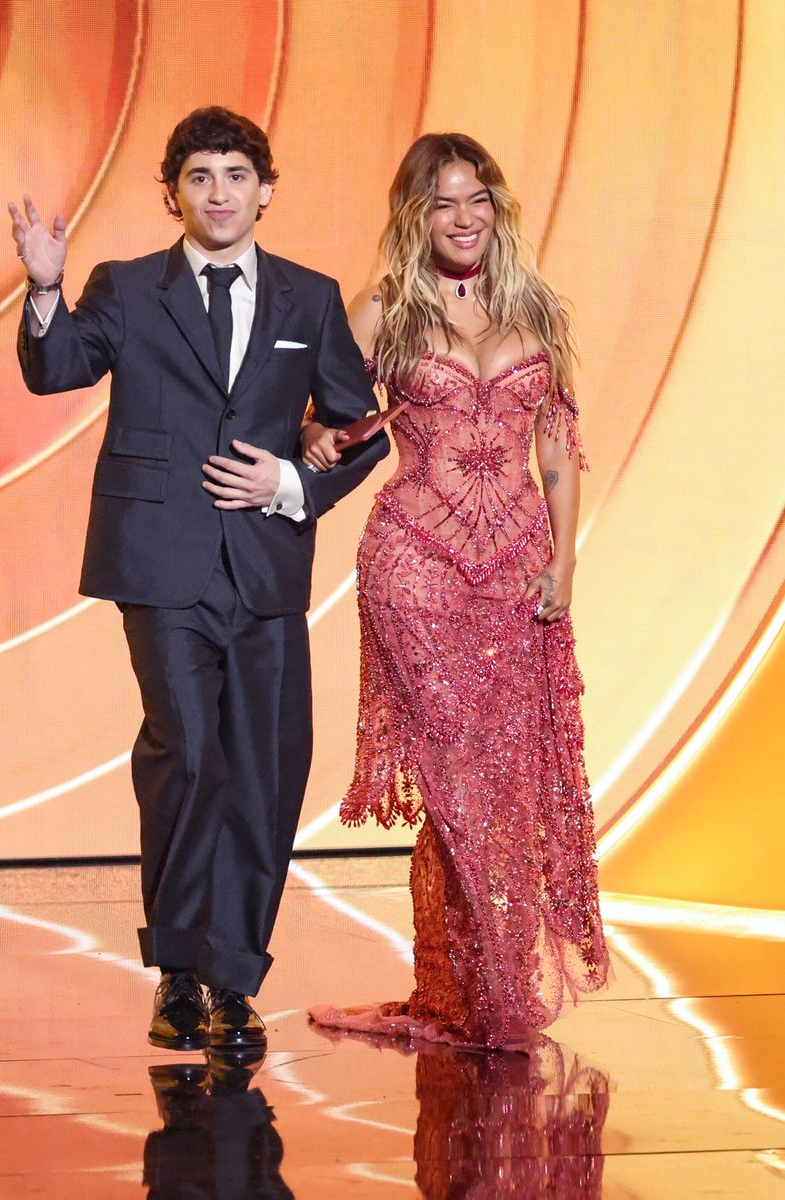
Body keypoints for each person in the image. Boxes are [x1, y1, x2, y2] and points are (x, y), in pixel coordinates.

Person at [8, 107, 388, 1052]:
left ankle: (233, 976)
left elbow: (359, 427)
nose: (218, 193)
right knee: (188, 753)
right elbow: (57, 369)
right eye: (199, 177)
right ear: (172, 193)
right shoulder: (129, 289)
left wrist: (295, 481)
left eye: (234, 175)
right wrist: (46, 288)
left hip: (264, 566)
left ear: (265, 189)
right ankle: (180, 971)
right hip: (161, 564)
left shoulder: (310, 297)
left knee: (265, 771)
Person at [304, 133, 610, 1050]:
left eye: (477, 198)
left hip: (517, 571)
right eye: (444, 202)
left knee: (507, 777)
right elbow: (323, 410)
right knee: (456, 774)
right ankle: (496, 988)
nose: (464, 217)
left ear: (498, 205)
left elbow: (557, 450)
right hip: (414, 569)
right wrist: (321, 435)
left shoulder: (536, 308)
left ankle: (471, 985)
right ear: (415, 213)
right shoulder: (383, 309)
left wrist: (564, 564)